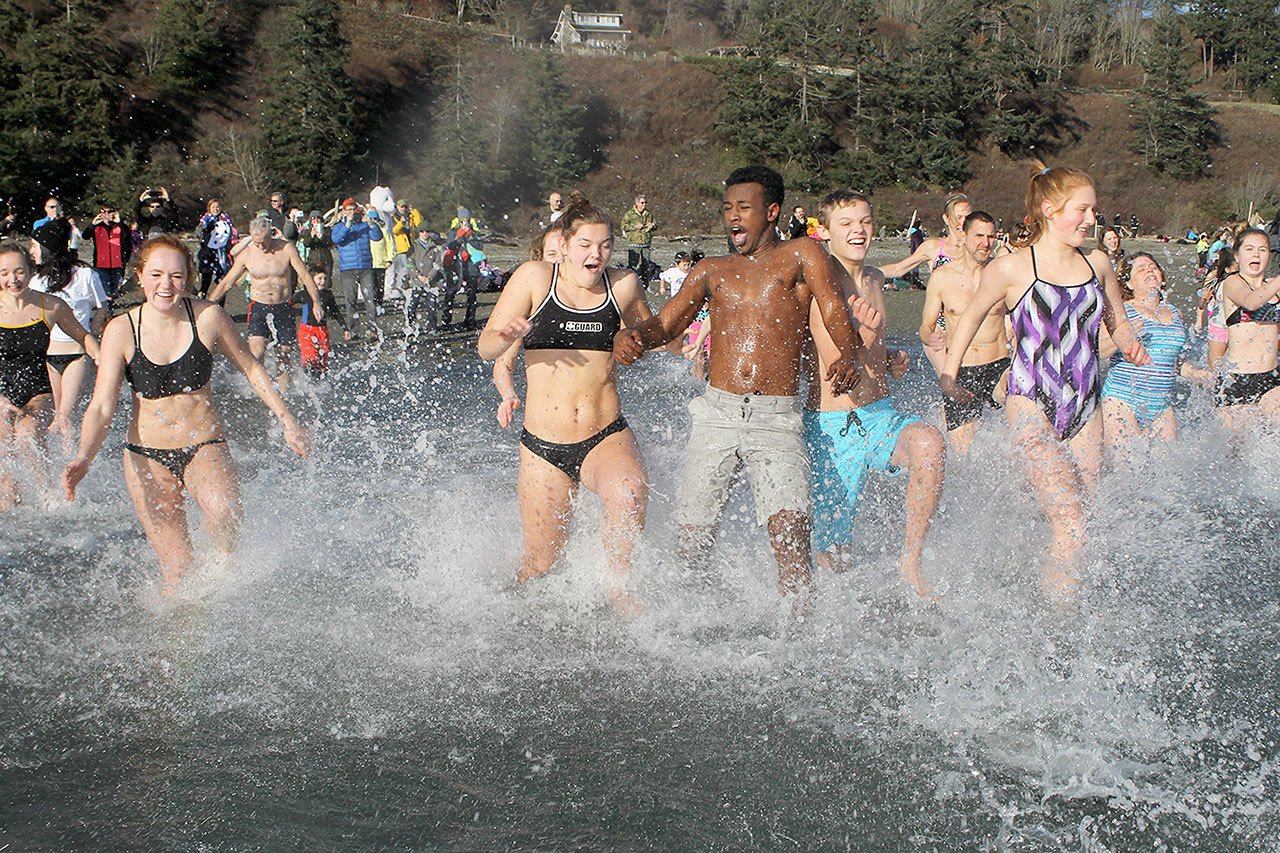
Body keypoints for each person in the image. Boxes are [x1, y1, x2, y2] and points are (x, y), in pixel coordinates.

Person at [613, 165, 862, 600]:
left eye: (744, 208)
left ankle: (799, 629)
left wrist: (849, 354)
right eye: (727, 208)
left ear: (772, 211)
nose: (733, 216)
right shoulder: (712, 269)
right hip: (717, 414)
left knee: (791, 541)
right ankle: (693, 618)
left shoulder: (801, 254)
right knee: (692, 543)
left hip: (776, 420)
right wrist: (631, 335)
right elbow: (666, 325)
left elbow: (834, 307)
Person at [939, 164, 1148, 603]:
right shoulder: (1012, 267)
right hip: (1031, 402)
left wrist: (1132, 346)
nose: (1091, 219)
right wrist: (949, 375)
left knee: (1081, 518)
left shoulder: (1098, 263)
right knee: (1070, 519)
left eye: (1093, 210)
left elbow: (1117, 319)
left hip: (1086, 408)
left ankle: (1039, 585)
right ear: (1050, 209)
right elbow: (969, 319)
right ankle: (1059, 618)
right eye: (1082, 210)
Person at [63, 236, 311, 594]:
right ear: (140, 276)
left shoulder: (208, 318)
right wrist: (84, 457)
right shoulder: (121, 330)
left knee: (224, 514)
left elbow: (251, 368)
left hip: (204, 443)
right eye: (156, 275)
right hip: (146, 455)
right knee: (178, 572)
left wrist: (288, 421)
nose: (166, 285)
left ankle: (225, 588)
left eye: (176, 276)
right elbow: (102, 405)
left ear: (188, 278)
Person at [478, 198, 651, 611]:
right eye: (586, 245)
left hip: (605, 434)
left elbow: (654, 336)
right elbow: (486, 348)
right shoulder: (534, 278)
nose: (597, 254)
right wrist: (507, 335)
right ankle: (507, 615)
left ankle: (620, 595)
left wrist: (691, 345)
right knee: (540, 565)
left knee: (628, 495)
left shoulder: (624, 284)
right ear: (567, 245)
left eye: (605, 245)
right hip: (543, 446)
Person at [805, 191, 944, 597]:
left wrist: (888, 359)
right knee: (833, 557)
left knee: (930, 444)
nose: (858, 230)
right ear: (824, 230)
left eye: (865, 222)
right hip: (833, 427)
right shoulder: (820, 287)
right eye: (846, 223)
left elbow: (869, 353)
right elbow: (834, 369)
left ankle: (910, 563)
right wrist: (867, 336)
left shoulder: (875, 279)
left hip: (881, 415)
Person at [0, 242, 100, 510]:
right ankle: (11, 506)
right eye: (4, 273)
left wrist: (101, 358)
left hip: (39, 392)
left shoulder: (50, 306)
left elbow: (83, 336)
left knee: (26, 433)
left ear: (31, 271)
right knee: (5, 476)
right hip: (1, 393)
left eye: (19, 271)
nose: (13, 279)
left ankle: (47, 494)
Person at [918, 210, 1009, 454]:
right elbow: (926, 326)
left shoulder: (1002, 275)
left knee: (1016, 389)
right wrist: (930, 337)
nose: (986, 243)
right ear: (964, 236)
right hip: (963, 371)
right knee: (962, 455)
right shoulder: (942, 278)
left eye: (991, 236)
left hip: (1000, 366)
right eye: (979, 236)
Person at [1099, 252, 1206, 453]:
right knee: (1126, 466)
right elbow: (1100, 350)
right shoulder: (1121, 312)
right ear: (1128, 283)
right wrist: (1123, 337)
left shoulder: (1175, 313)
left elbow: (1173, 361)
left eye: (1153, 267)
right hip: (1122, 400)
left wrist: (1196, 373)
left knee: (1167, 467)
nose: (1149, 271)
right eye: (1141, 269)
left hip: (1161, 405)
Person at [207, 216, 323, 389]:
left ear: (271, 234)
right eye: (256, 242)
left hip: (283, 306)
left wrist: (316, 302)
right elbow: (226, 282)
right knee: (256, 352)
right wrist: (207, 305)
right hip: (259, 307)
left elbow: (305, 276)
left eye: (263, 242)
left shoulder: (286, 249)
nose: (260, 246)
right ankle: (259, 389)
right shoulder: (247, 254)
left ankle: (284, 393)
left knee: (284, 353)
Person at [29, 221, 109, 444]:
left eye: (35, 246)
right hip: (49, 356)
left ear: (47, 247)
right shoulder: (37, 281)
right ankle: (50, 457)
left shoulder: (85, 275)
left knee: (65, 416)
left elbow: (102, 307)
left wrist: (93, 331)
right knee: (56, 417)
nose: (31, 251)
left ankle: (75, 459)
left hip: (77, 354)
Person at [881, 193, 974, 373]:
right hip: (939, 326)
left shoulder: (976, 248)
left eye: (967, 217)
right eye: (958, 217)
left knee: (970, 381)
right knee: (949, 380)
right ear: (946, 219)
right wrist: (864, 272)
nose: (963, 222)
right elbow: (899, 269)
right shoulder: (934, 247)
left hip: (969, 324)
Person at [1213, 228, 1280, 426]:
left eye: (1262, 250)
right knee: (1236, 446)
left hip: (1272, 377)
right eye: (1249, 249)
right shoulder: (1233, 282)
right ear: (1237, 255)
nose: (1256, 254)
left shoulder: (1273, 286)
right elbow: (1251, 302)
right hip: (1238, 379)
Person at [330, 199, 383, 337]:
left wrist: (372, 224)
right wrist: (347, 225)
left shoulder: (364, 225)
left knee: (370, 299)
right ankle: (353, 330)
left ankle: (372, 329)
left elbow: (377, 237)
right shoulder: (339, 226)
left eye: (354, 209)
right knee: (350, 300)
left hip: (366, 267)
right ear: (344, 211)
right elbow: (336, 239)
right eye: (349, 210)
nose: (352, 213)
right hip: (348, 268)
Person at [297, 262, 350, 377]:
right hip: (307, 330)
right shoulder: (304, 294)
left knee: (323, 358)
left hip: (322, 330)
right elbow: (290, 304)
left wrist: (345, 328)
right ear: (311, 280)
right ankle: (308, 379)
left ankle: (321, 382)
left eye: (325, 278)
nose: (323, 281)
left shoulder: (328, 295)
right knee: (310, 357)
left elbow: (335, 312)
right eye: (319, 278)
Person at [80, 203, 133, 299]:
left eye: (109, 212)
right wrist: (92, 224)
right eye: (103, 212)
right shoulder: (97, 227)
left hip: (118, 263)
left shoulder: (120, 227)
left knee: (114, 289)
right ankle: (108, 305)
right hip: (101, 263)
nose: (107, 215)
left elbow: (127, 237)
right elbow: (85, 236)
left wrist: (119, 222)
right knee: (105, 289)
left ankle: (111, 303)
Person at [1198, 248, 1235, 368]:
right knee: (1214, 371)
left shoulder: (1245, 282)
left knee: (1233, 370)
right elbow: (1201, 305)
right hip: (1219, 327)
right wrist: (1199, 320)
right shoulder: (1215, 279)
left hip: (1236, 329)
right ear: (1227, 268)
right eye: (1235, 269)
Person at [194, 199, 238, 299]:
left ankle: (220, 302)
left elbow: (232, 235)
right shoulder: (205, 220)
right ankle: (202, 299)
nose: (215, 209)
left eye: (217, 207)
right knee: (206, 279)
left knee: (221, 280)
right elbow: (199, 233)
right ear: (209, 208)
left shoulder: (226, 220)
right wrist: (206, 230)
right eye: (213, 207)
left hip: (222, 253)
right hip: (207, 253)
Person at [407, 225, 444, 334]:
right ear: (419, 233)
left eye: (426, 231)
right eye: (422, 231)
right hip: (417, 281)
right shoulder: (414, 246)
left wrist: (429, 277)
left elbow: (438, 264)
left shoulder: (434, 247)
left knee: (432, 305)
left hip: (431, 282)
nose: (424, 234)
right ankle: (410, 327)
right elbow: (409, 263)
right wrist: (418, 276)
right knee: (412, 305)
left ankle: (432, 327)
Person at [389, 199, 423, 302]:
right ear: (397, 207)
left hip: (411, 246)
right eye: (401, 207)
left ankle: (411, 289)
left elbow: (420, 225)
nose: (403, 209)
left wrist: (414, 211)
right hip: (402, 248)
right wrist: (401, 222)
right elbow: (394, 230)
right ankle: (400, 289)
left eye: (405, 207)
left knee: (412, 268)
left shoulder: (410, 216)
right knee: (403, 270)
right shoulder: (393, 217)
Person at [620, 195, 656, 283]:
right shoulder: (630, 214)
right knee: (633, 265)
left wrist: (652, 226)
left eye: (645, 203)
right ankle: (631, 283)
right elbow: (623, 226)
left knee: (646, 265)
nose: (644, 205)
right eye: (642, 203)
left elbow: (655, 225)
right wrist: (635, 226)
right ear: (637, 203)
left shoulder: (648, 214)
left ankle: (645, 284)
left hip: (646, 244)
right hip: (634, 243)